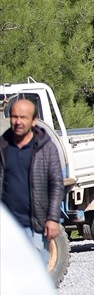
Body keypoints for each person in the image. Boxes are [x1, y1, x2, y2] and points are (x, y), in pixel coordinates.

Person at [0, 98, 64, 266]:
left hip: (35, 227)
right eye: (14, 117)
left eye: (23, 117)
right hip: (7, 229)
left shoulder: (46, 147)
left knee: (37, 281)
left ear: (34, 120)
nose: (18, 122)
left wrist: (53, 218)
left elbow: (56, 184)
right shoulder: (2, 146)